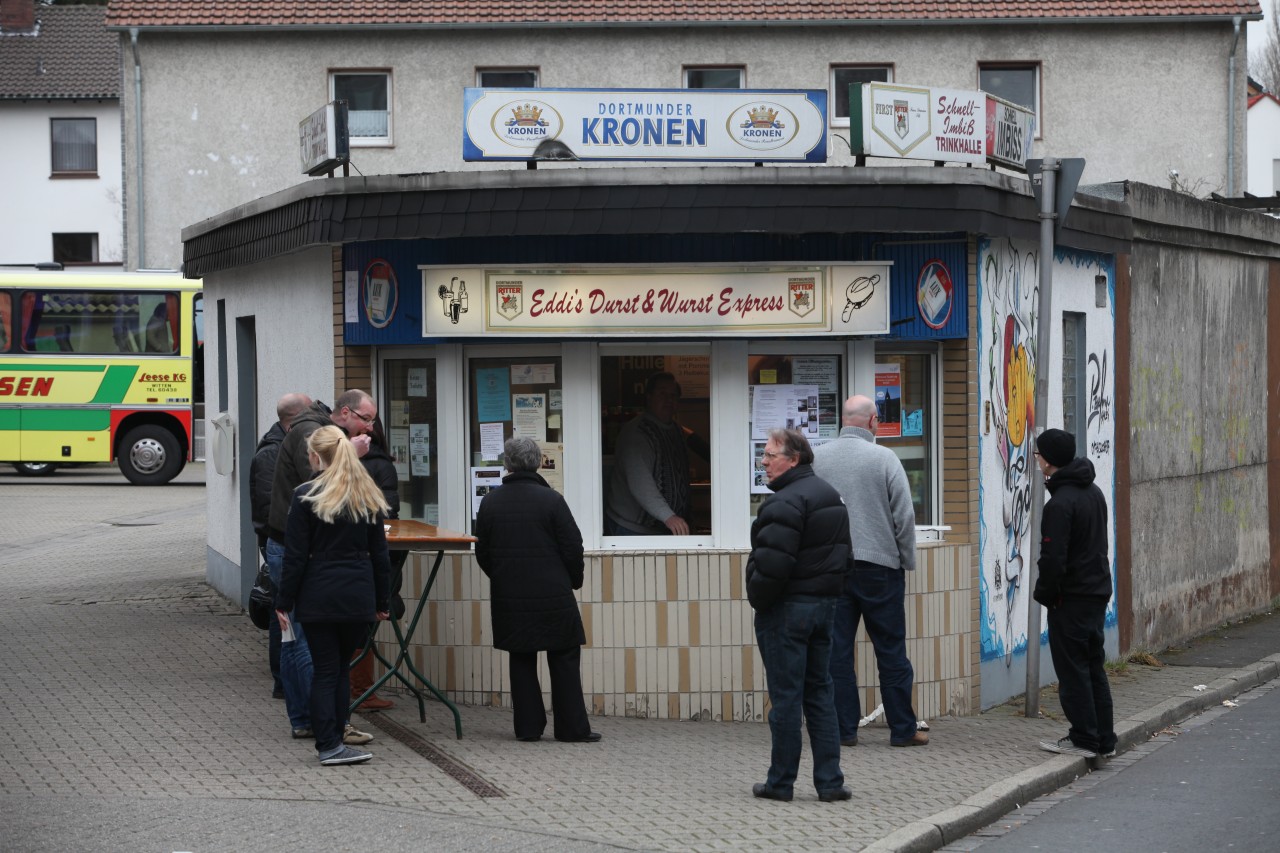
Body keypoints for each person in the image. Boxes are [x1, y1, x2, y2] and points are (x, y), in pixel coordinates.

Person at [812, 394, 928, 748]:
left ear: (844, 422)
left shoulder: (818, 458)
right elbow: (904, 517)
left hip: (833, 568)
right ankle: (902, 729)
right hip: (880, 568)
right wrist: (905, 558)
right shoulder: (884, 458)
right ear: (873, 421)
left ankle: (843, 730)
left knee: (837, 652)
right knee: (891, 650)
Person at [275, 426, 391, 766]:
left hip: (319, 596)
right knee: (340, 668)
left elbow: (295, 557)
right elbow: (380, 556)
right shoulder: (365, 493)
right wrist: (382, 602)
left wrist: (283, 602)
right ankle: (336, 737)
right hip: (358, 596)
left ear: (315, 456)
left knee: (326, 670)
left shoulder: (306, 495)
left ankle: (328, 744)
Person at [746, 428, 851, 803]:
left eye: (770, 455)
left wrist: (759, 599)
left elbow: (772, 567)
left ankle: (780, 782)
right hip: (824, 609)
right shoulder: (830, 496)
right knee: (820, 693)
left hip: (787, 612)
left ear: (794, 459)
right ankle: (830, 782)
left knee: (787, 698)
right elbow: (844, 558)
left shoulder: (783, 503)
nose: (764, 461)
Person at [266, 389, 377, 741]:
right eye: (366, 419)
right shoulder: (309, 437)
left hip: (304, 561)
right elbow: (323, 492)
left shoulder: (309, 431)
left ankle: (310, 720)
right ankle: (323, 726)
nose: (370, 428)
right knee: (310, 653)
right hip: (302, 557)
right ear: (345, 413)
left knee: (299, 644)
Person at [475, 436, 600, 744]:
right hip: (553, 594)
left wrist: (503, 577)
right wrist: (573, 580)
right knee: (564, 656)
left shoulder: (490, 502)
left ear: (507, 463)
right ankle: (572, 728)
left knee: (521, 657)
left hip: (510, 595)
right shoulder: (552, 501)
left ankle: (528, 728)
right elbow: (573, 546)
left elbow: (483, 551)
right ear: (538, 462)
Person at [1033, 428, 1117, 760]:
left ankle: (1084, 738)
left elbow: (1054, 558)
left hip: (1072, 596)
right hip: (1096, 591)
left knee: (1073, 671)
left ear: (1048, 461)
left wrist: (1047, 594)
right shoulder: (1093, 491)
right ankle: (1104, 739)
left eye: (1038, 455)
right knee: (1093, 667)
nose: (1037, 461)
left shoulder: (1060, 504)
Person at [249, 392, 312, 700]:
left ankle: (284, 682)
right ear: (295, 421)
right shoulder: (272, 453)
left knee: (284, 613)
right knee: (283, 616)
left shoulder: (277, 446)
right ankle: (282, 681)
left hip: (283, 542)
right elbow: (267, 507)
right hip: (280, 544)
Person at [605, 372, 707, 536]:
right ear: (649, 397)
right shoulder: (637, 433)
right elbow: (640, 483)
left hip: (664, 527)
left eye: (673, 395)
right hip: (632, 529)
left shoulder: (676, 430)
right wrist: (669, 517)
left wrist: (686, 517)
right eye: (662, 394)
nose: (669, 399)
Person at [347, 416, 402, 712]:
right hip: (371, 558)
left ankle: (358, 688)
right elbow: (389, 510)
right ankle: (361, 690)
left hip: (350, 563)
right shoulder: (383, 465)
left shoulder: (346, 467)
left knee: (356, 627)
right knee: (365, 626)